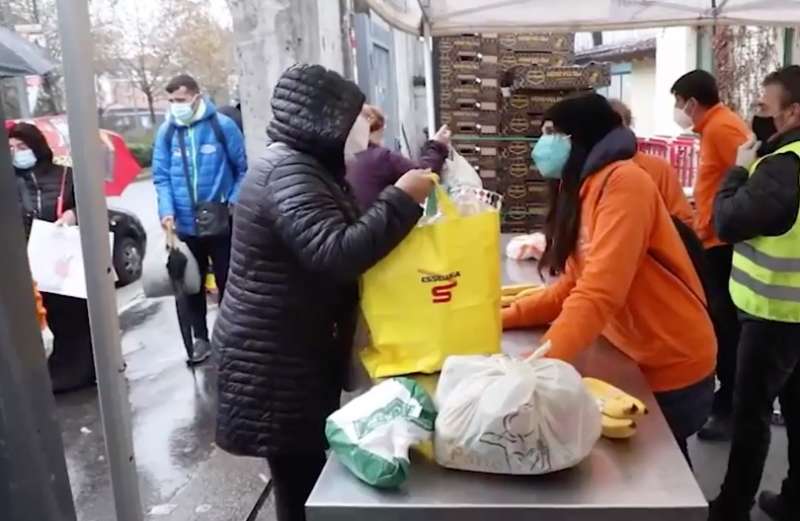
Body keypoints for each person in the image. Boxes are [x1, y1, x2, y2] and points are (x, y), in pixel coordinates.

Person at [213, 64, 434, 521]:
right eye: (354, 117)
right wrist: (401, 198)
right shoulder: (289, 173)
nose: (363, 127)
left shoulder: (308, 167)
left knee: (306, 475)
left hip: (291, 350)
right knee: (302, 483)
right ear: (326, 122)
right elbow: (336, 251)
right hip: (274, 361)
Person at [503, 94, 716, 462]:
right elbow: (572, 285)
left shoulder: (624, 183)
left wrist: (538, 363)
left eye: (551, 132)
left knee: (662, 481)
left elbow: (599, 292)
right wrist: (500, 317)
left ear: (580, 135)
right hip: (630, 355)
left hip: (670, 363)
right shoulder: (583, 190)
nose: (542, 144)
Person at [709, 65, 800, 521]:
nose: (757, 116)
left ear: (793, 112)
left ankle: (731, 507)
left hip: (774, 315)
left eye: (765, 108)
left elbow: (727, 222)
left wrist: (737, 172)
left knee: (751, 416)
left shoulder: (782, 167)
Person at [671, 70, 750, 441]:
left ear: (691, 102)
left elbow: (750, 174)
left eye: (678, 103)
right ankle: (728, 398)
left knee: (725, 325)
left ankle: (732, 405)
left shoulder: (722, 128)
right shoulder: (713, 128)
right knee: (721, 320)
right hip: (713, 236)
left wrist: (717, 216)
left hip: (722, 242)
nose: (677, 111)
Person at [152, 74, 247, 365]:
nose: (175, 106)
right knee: (190, 284)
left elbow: (242, 169)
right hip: (184, 224)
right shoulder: (167, 132)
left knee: (227, 280)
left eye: (179, 100)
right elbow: (162, 177)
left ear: (195, 96)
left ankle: (230, 337)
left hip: (219, 219)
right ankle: (200, 339)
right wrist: (166, 210)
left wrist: (232, 201)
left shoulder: (222, 127)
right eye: (170, 101)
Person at [10, 122, 95, 392]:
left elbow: (90, 205)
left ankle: (85, 369)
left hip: (63, 258)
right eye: (10, 148)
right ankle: (55, 372)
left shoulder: (64, 176)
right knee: (44, 318)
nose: (16, 153)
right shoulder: (9, 181)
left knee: (74, 314)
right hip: (27, 262)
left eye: (22, 147)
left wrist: (72, 215)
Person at [345, 104, 450, 211]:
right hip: (383, 224)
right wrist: (437, 145)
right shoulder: (379, 157)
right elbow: (424, 175)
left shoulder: (343, 162)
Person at [609, 99, 694, 226]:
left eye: (617, 128)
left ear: (628, 129)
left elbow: (683, 220)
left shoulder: (658, 169)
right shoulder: (585, 173)